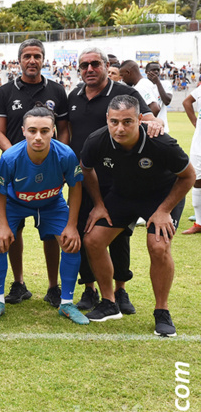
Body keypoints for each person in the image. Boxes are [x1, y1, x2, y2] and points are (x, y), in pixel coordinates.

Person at [81, 95, 193, 336]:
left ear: (140, 120)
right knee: (92, 240)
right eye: (114, 122)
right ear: (107, 120)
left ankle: (161, 311)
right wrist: (99, 204)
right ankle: (109, 303)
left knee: (158, 246)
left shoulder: (161, 142)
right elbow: (86, 170)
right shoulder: (97, 139)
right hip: (123, 196)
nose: (119, 128)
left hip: (161, 198)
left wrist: (163, 210)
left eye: (127, 122)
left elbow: (188, 177)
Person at [67, 47, 160, 314]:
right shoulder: (73, 95)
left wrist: (154, 124)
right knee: (87, 230)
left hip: (120, 179)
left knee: (120, 235)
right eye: (84, 65)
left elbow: (148, 119)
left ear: (106, 66)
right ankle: (89, 289)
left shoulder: (125, 93)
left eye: (95, 64)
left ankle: (120, 290)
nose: (89, 69)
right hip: (84, 176)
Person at [0, 105, 87, 324]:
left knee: (71, 242)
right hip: (16, 204)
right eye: (32, 130)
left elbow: (76, 187)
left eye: (44, 131)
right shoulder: (10, 157)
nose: (38, 137)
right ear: (23, 130)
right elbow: (1, 192)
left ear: (53, 131)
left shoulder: (65, 154)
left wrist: (72, 225)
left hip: (52, 203)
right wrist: (3, 224)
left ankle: (67, 303)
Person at [0, 39, 69, 307]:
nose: (32, 61)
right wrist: (18, 156)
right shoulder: (5, 91)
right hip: (15, 170)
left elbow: (64, 130)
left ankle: (53, 286)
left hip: (49, 168)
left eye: (37, 56)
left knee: (51, 231)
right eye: (27, 56)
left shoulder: (58, 90)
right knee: (14, 229)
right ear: (19, 60)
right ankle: (19, 283)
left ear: (44, 59)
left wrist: (59, 161)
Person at [180, 84, 201, 234]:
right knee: (197, 180)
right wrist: (195, 122)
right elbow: (187, 101)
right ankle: (199, 223)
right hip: (199, 145)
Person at [146, 61, 173, 132]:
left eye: (158, 70)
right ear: (146, 72)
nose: (156, 72)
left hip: (162, 127)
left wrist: (158, 82)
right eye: (153, 70)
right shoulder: (143, 86)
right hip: (147, 126)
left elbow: (167, 101)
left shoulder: (166, 84)